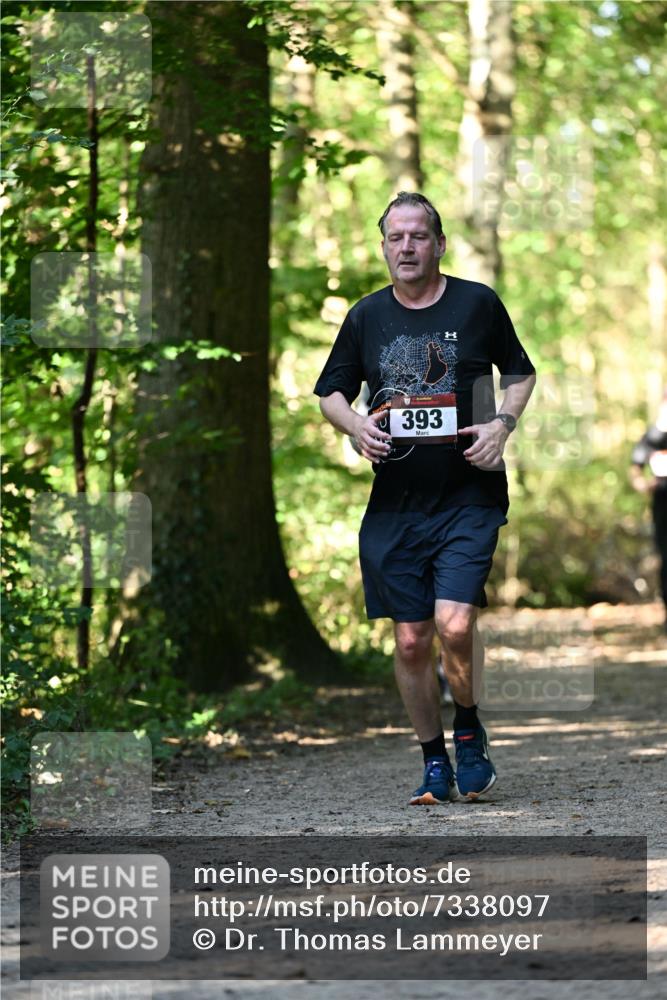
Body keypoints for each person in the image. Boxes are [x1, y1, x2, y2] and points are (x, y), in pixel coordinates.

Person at [314, 192, 536, 804]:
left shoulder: (477, 303)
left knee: (455, 622)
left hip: (469, 492)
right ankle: (433, 759)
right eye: (395, 238)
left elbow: (519, 373)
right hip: (396, 504)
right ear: (384, 246)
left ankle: (468, 728)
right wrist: (355, 426)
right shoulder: (366, 316)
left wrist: (502, 426)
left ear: (439, 244)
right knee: (411, 638)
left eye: (418, 236)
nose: (406, 247)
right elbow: (332, 391)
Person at [630, 390, 667, 629]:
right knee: (665, 556)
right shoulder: (651, 437)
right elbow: (635, 469)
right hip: (662, 503)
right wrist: (643, 484)